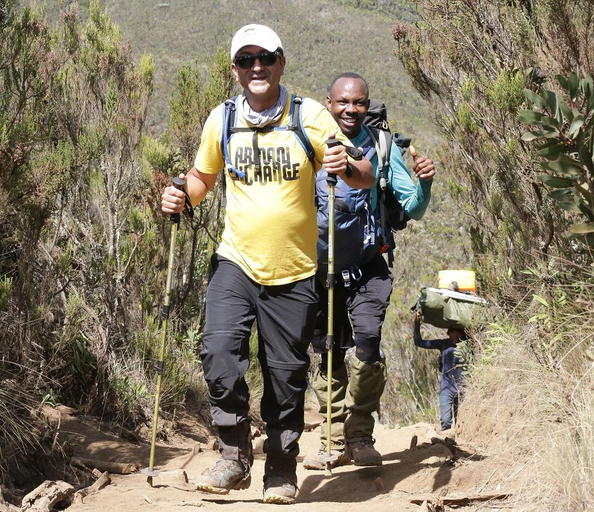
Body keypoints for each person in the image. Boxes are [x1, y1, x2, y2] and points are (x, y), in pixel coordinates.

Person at [161, 25, 374, 504]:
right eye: (246, 59)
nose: (257, 67)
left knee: (285, 375)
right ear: (235, 69)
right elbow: (202, 177)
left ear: (281, 63)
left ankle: (280, 470)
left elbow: (362, 175)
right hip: (235, 262)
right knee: (218, 353)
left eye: (266, 58)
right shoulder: (222, 119)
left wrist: (346, 168)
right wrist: (180, 197)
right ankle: (233, 455)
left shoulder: (310, 116)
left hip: (295, 270)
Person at [303, 72, 436, 470]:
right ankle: (331, 442)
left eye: (358, 103)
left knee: (367, 347)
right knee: (328, 355)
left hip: (368, 266)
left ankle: (359, 437)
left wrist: (424, 184)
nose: (350, 110)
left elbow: (412, 207)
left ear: (367, 105)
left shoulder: (382, 145)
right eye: (343, 102)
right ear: (329, 103)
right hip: (317, 269)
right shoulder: (309, 143)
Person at [413, 311, 468, 430]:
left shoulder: (469, 345)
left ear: (462, 333)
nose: (454, 334)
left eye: (457, 332)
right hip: (446, 388)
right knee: (446, 421)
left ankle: (457, 446)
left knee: (462, 423)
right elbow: (419, 342)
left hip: (463, 388)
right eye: (452, 332)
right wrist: (417, 324)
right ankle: (444, 445)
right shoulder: (443, 344)